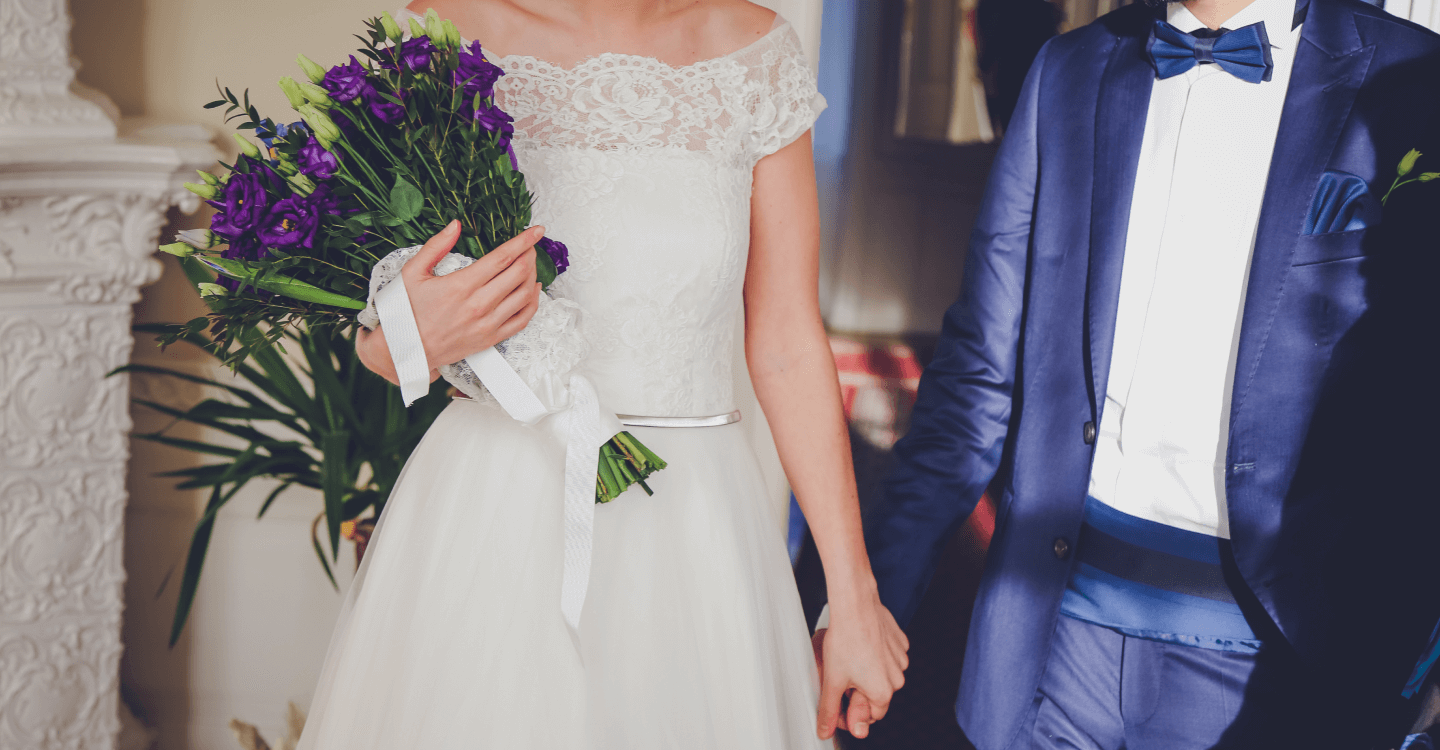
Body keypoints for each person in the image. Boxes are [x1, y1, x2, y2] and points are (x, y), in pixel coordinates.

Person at [817, 0, 1440, 747]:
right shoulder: (1067, 73)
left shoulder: (1414, 82)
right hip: (1051, 655)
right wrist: (865, 601)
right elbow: (974, 380)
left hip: (1278, 666)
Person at [295, 1, 908, 748]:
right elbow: (377, 341)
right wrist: (405, 333)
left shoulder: (754, 52)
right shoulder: (437, 34)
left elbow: (785, 339)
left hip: (696, 524)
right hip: (490, 511)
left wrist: (852, 599)